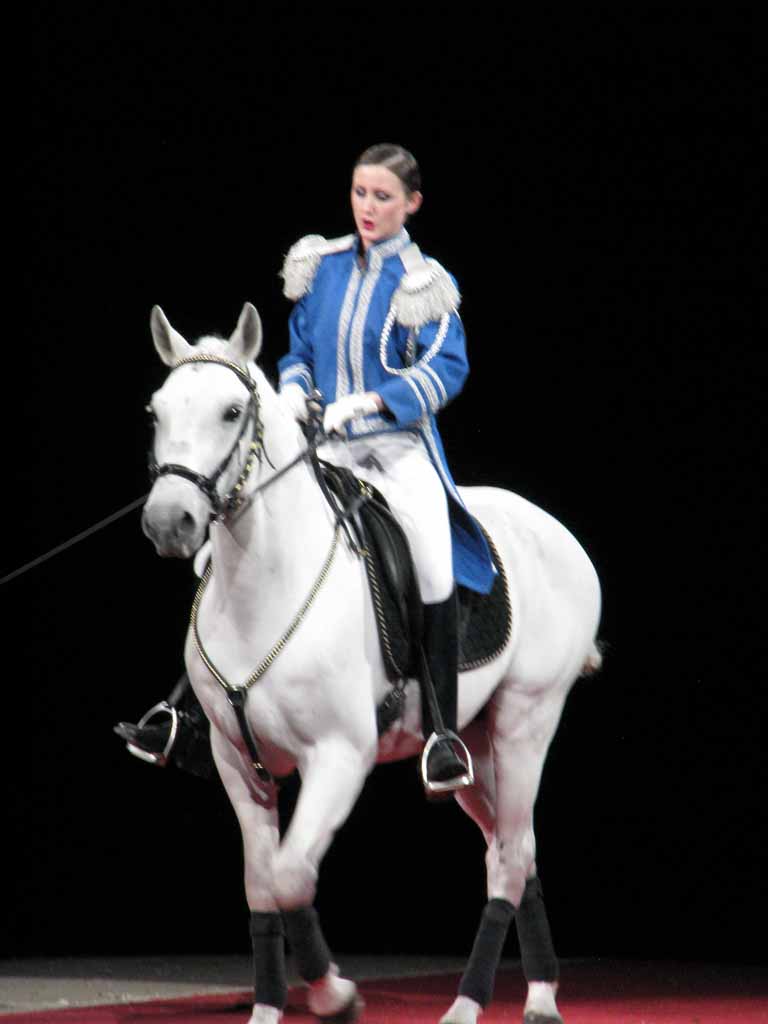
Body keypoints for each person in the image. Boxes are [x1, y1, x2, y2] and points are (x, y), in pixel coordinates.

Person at [116, 143, 496, 794]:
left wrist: (374, 400)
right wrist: (295, 389)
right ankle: (191, 713)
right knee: (226, 542)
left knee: (430, 555)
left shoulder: (424, 284)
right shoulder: (322, 265)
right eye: (359, 193)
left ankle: (440, 732)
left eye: (383, 197)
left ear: (412, 204)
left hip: (398, 449)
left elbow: (445, 370)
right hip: (324, 440)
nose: (368, 207)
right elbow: (299, 349)